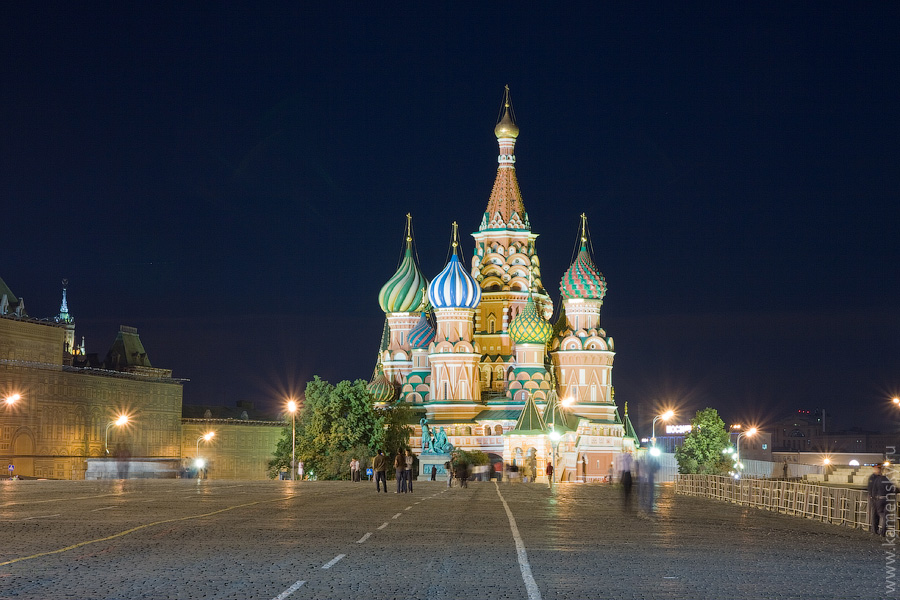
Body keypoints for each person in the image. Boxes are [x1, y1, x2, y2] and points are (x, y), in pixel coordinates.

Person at [868, 464, 892, 536]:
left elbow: (872, 488)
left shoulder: (875, 478)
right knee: (880, 515)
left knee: (878, 514)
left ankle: (877, 531)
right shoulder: (884, 479)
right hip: (881, 499)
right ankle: (879, 531)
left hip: (877, 499)